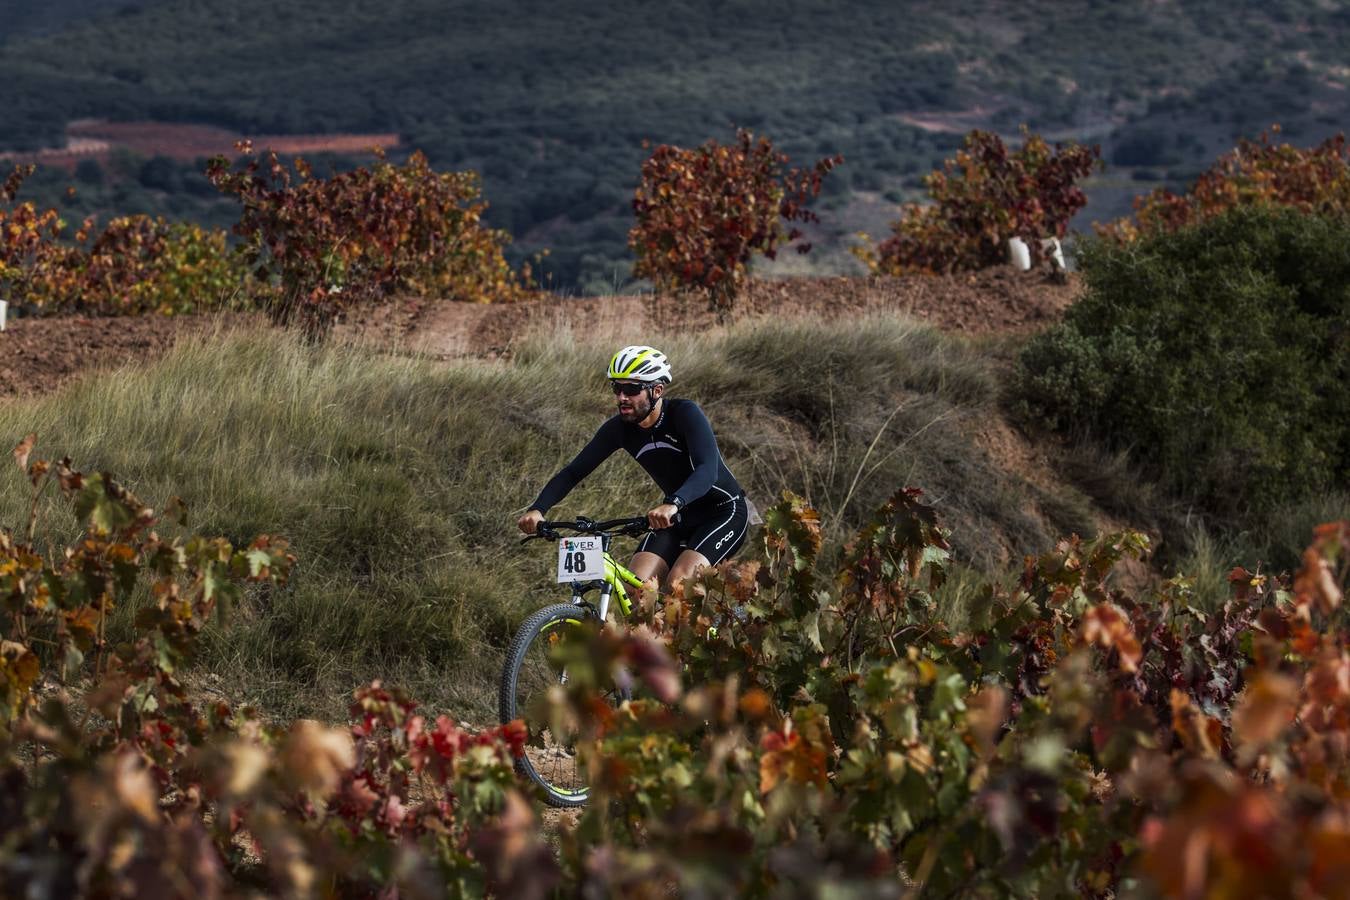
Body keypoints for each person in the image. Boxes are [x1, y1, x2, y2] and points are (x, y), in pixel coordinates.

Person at [517, 345, 748, 590]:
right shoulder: (618, 429)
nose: (622, 397)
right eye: (617, 388)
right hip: (677, 516)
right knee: (636, 588)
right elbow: (574, 472)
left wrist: (674, 502)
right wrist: (538, 508)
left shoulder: (684, 413)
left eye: (632, 389)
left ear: (657, 390)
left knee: (680, 583)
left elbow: (706, 469)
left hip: (723, 512)